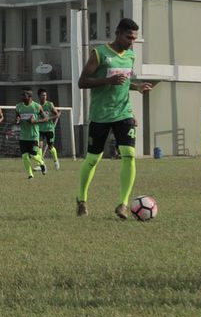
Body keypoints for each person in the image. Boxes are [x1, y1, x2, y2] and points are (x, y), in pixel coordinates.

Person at [76, 18, 152, 219]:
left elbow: (124, 83)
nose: (131, 41)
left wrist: (137, 88)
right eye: (129, 37)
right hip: (100, 115)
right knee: (93, 159)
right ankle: (81, 200)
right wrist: (106, 80)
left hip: (123, 113)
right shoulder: (99, 54)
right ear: (118, 33)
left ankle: (123, 204)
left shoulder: (130, 56)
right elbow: (82, 82)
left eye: (134, 38)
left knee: (128, 154)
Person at [15, 87, 48, 179]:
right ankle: (30, 175)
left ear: (29, 96)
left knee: (33, 155)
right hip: (23, 136)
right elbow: (16, 119)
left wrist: (35, 121)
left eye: (23, 95)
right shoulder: (18, 107)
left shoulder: (37, 106)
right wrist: (17, 121)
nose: (21, 96)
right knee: (25, 156)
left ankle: (41, 163)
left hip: (33, 136)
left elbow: (45, 118)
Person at [37, 89, 61, 170]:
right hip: (40, 129)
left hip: (49, 129)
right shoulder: (37, 106)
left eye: (45, 95)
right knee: (39, 146)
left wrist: (49, 118)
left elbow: (57, 115)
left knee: (50, 147)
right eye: (42, 95)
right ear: (39, 96)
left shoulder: (50, 105)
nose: (44, 97)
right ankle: (40, 164)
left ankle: (55, 161)